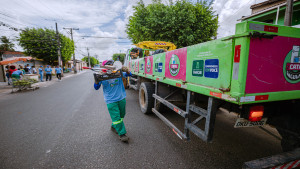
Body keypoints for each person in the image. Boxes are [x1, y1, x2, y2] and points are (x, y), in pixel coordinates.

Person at [94, 60, 132, 142]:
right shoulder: (102, 76)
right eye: (108, 66)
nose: (110, 67)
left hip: (121, 98)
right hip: (110, 100)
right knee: (116, 118)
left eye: (112, 65)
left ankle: (114, 126)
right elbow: (96, 87)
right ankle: (122, 134)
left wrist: (127, 70)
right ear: (105, 67)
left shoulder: (118, 73)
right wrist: (96, 80)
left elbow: (130, 74)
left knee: (122, 115)